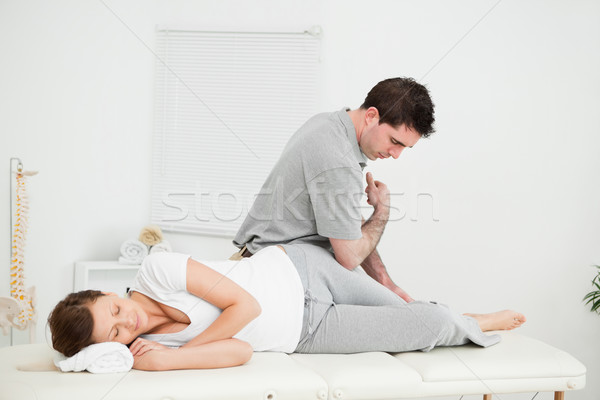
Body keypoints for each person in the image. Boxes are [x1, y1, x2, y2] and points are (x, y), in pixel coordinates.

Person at [48, 245, 526, 371]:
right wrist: (173, 358)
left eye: (111, 311)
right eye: (111, 334)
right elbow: (240, 352)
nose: (123, 322)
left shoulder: (156, 270)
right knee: (428, 322)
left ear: (106, 294)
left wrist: (190, 344)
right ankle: (470, 322)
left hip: (302, 269)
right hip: (310, 331)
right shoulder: (152, 351)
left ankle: (467, 322)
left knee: (407, 308)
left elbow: (245, 304)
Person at [232, 77, 436, 303]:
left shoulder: (327, 123)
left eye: (404, 148)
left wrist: (383, 280)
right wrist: (382, 211)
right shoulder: (339, 160)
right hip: (268, 279)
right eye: (394, 141)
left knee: (400, 309)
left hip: (269, 263)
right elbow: (349, 257)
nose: (396, 154)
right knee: (408, 318)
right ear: (371, 116)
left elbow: (344, 223)